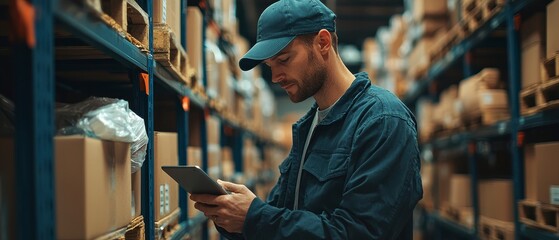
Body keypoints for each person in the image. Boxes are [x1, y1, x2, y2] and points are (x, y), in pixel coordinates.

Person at [190, 0, 423, 239]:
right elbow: (283, 215)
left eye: (284, 60)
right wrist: (232, 214)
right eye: (270, 66)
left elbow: (359, 232)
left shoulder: (383, 121)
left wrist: (255, 217)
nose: (275, 77)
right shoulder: (310, 126)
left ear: (322, 42)